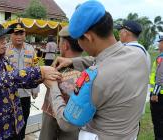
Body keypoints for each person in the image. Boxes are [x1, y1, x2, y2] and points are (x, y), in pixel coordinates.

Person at [45, 1, 149, 140]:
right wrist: (73, 61)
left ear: (88, 37)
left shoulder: (93, 79)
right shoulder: (139, 54)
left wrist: (53, 87)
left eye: (79, 41)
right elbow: (107, 57)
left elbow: (67, 123)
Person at [0, 21, 61, 140]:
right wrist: (40, 71)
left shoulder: (3, 60)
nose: (4, 41)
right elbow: (2, 78)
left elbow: (20, 81)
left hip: (13, 123)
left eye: (4, 37)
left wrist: (43, 78)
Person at [39, 26, 92, 140]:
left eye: (60, 43)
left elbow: (70, 94)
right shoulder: (89, 68)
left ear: (65, 45)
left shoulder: (68, 72)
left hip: (57, 121)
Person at [5, 22, 40, 140]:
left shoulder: (30, 49)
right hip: (9, 95)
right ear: (11, 35)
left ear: (25, 34)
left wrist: (36, 88)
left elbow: (35, 68)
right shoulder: (4, 50)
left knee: (23, 122)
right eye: (16, 33)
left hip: (25, 94)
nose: (19, 36)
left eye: (21, 33)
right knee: (9, 124)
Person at [150, 36, 163, 140]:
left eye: (160, 42)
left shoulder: (161, 58)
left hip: (159, 95)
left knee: (158, 122)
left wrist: (155, 93)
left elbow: (160, 77)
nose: (158, 44)